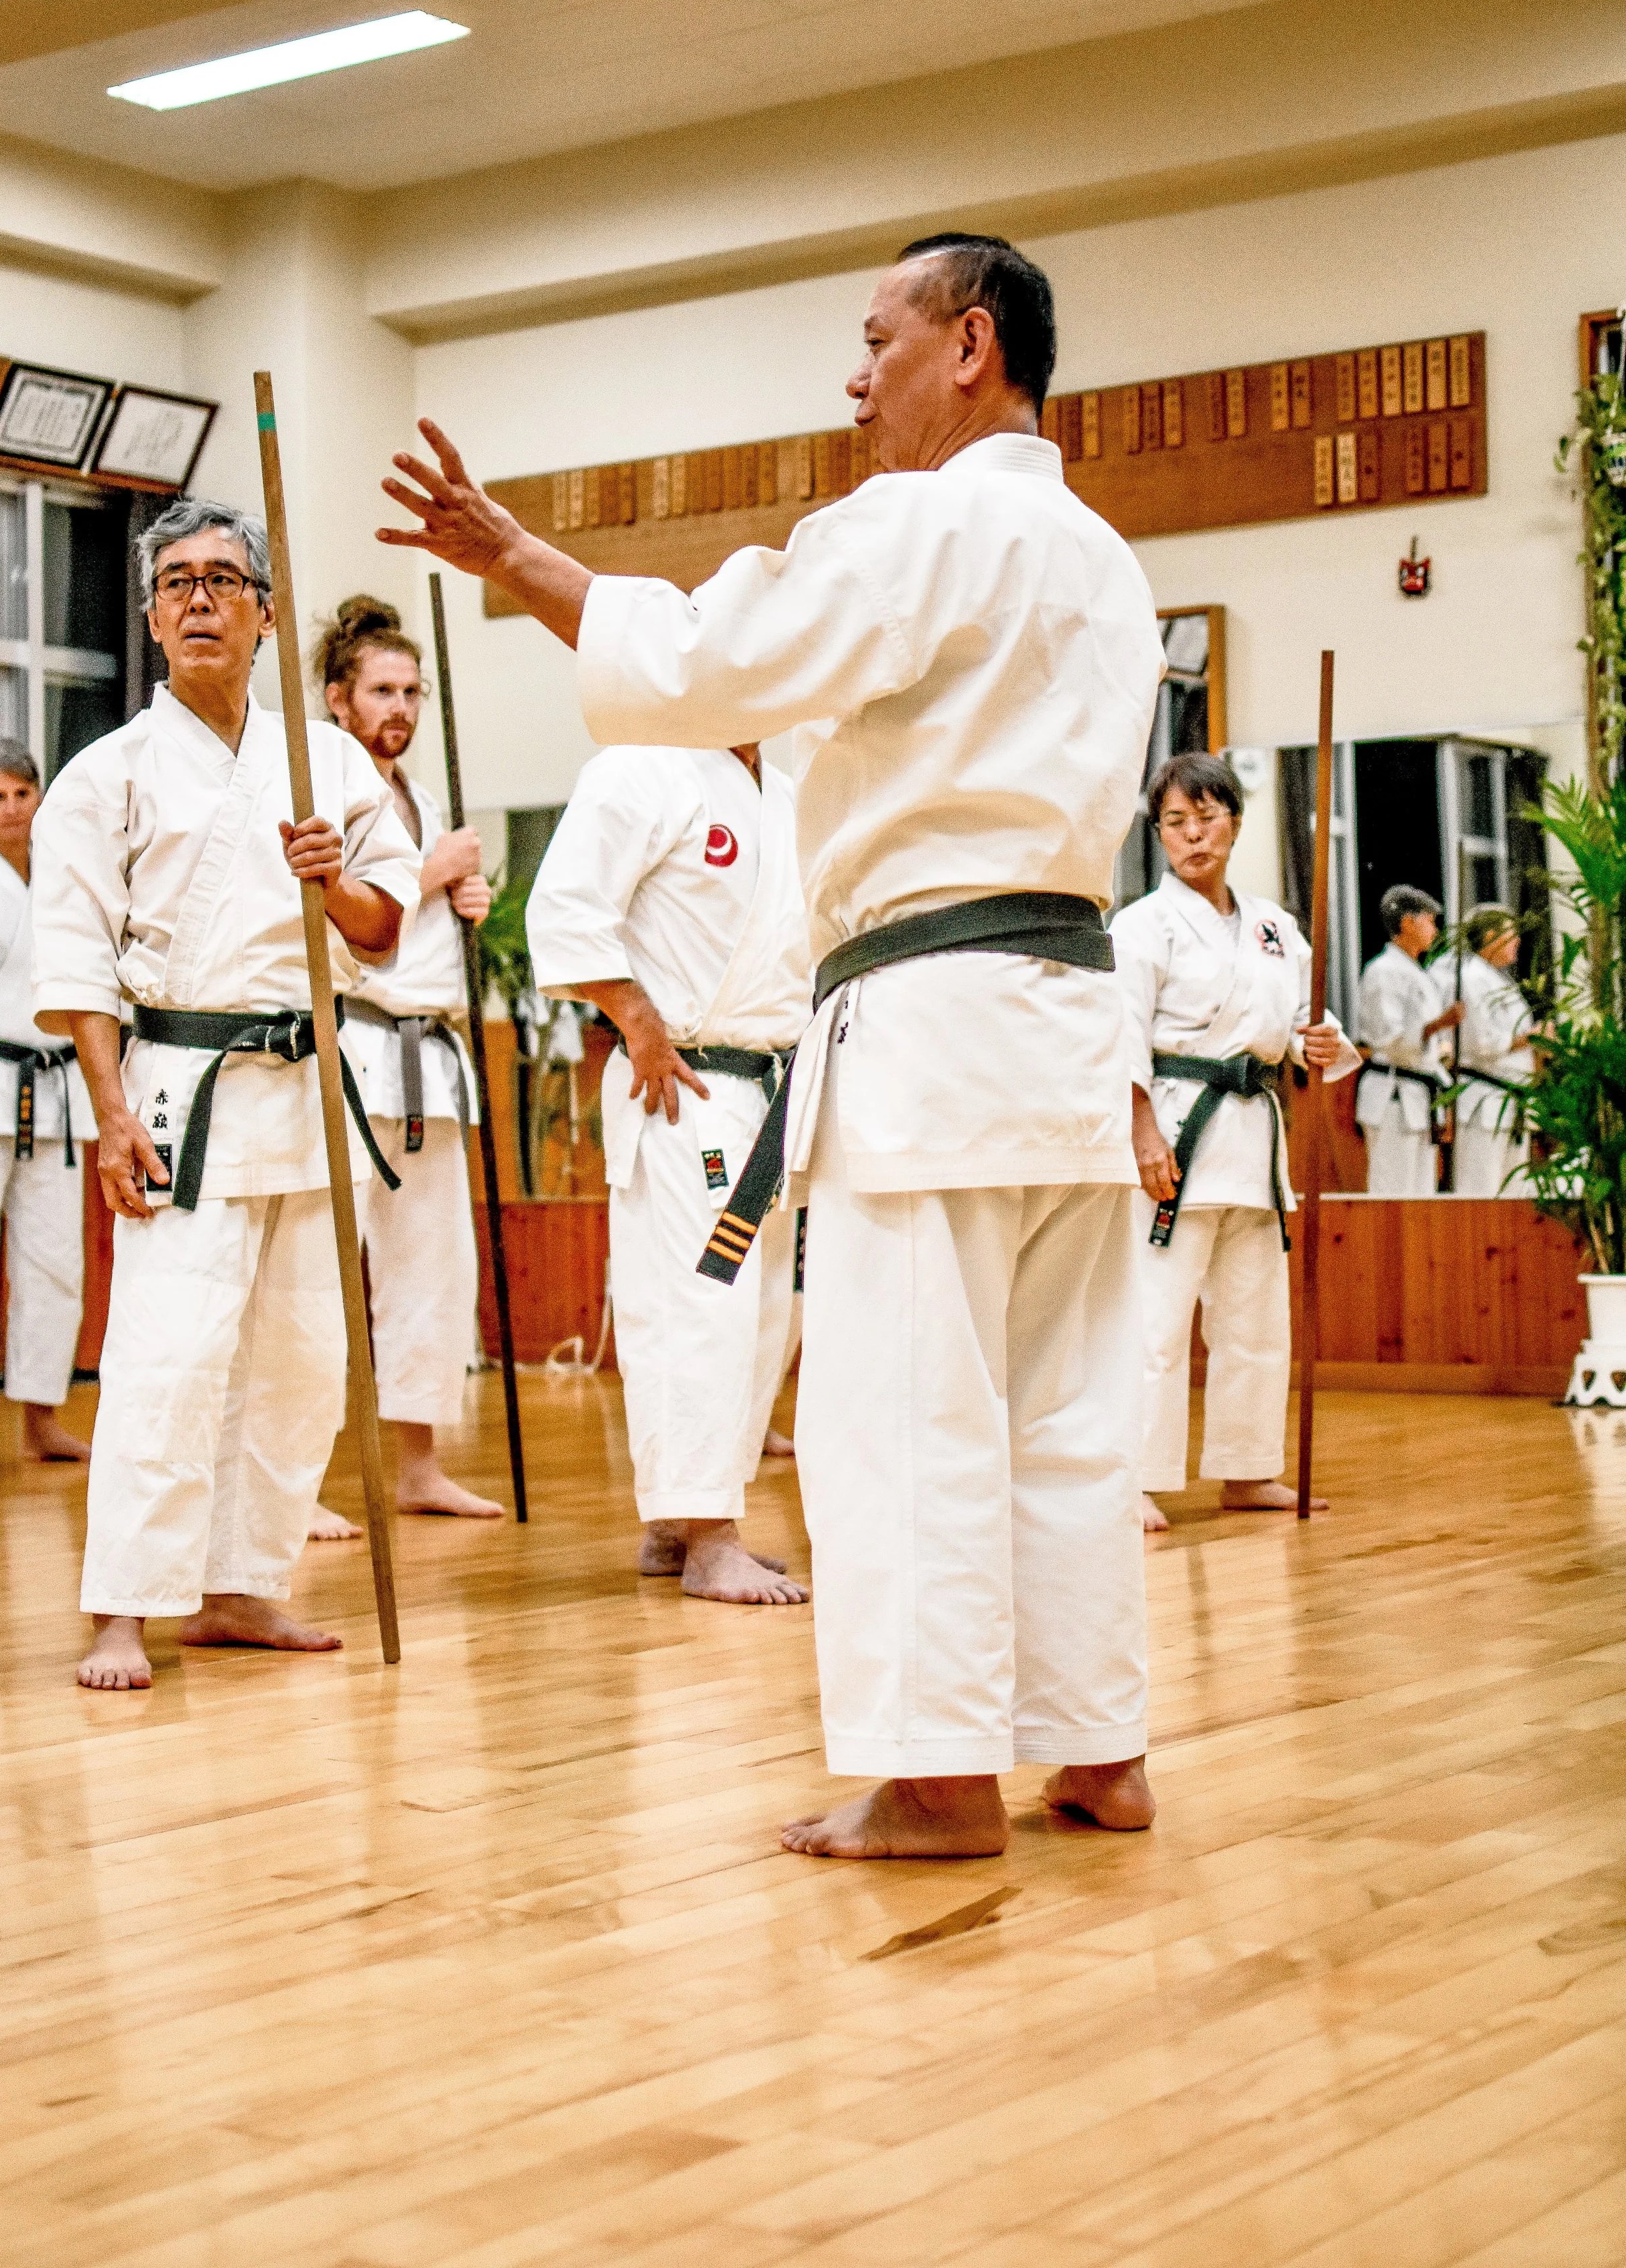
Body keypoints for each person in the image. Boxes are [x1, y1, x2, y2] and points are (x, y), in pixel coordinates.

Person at [379, 229, 1165, 1858]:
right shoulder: (1103, 557)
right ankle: (1098, 1745)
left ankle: (940, 1776)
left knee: (905, 1406)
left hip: (936, 1030)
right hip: (1068, 1025)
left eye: (878, 334)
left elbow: (706, 662)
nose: (854, 370)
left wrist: (524, 557)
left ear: (972, 345)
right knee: (1068, 1404)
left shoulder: (922, 520)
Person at [31, 497, 420, 1692]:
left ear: (262, 613)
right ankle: (123, 1607)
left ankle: (244, 1585)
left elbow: (386, 928)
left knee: (305, 1350)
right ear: (152, 618)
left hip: (307, 1081)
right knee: (168, 1350)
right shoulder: (108, 776)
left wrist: (331, 882)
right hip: (178, 1084)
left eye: (223, 582)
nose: (201, 600)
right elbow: (79, 965)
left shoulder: (327, 759)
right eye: (178, 584)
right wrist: (107, 1114)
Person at [525, 739, 810, 1603]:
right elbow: (565, 909)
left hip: (771, 1084)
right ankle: (708, 1534)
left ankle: (679, 1520)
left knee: (765, 1313)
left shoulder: (790, 784)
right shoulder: (642, 765)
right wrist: (637, 1017)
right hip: (683, 1081)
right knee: (700, 1307)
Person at [1111, 752, 1357, 1533]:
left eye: (1207, 817)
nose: (1193, 836)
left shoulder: (1274, 927)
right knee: (1153, 1319)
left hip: (1253, 1138)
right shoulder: (1141, 925)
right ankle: (1132, 1480)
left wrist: (1315, 1045)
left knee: (1254, 1321)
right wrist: (1142, 1130)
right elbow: (1120, 1038)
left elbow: (1297, 1030)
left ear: (1236, 823)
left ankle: (1247, 1472)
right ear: (1159, 834)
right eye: (1176, 823)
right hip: (1177, 1131)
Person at [311, 595, 501, 1532]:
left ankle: (419, 1464)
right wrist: (428, 874)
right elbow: (326, 920)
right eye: (383, 689)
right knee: (320, 1266)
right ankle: (293, 1483)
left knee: (431, 1267)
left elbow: (425, 925)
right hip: (351, 1045)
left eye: (413, 691)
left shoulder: (425, 801)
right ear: (340, 698)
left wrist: (467, 898)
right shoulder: (320, 785)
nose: (401, 706)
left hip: (432, 1055)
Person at [0, 739, 95, 1480]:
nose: (11, 809)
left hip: (56, 1094)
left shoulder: (66, 881)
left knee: (55, 1264)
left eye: (22, 794)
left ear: (40, 798)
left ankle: (43, 1419)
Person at [1355, 886, 1459, 1196]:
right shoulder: (1382, 971)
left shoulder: (1418, 974)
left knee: (1422, 1197)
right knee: (1392, 1193)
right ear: (1408, 923)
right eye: (1430, 921)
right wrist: (1438, 1025)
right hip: (1393, 1095)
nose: (1435, 930)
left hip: (1421, 1095)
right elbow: (1389, 1039)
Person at [1454, 904, 1535, 1197]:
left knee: (1514, 1192)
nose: (1518, 943)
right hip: (1485, 1099)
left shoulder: (1501, 980)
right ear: (1490, 936)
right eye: (1511, 935)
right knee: (1482, 1189)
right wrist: (1528, 1039)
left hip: (1512, 1098)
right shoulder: (1472, 978)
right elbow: (1480, 1043)